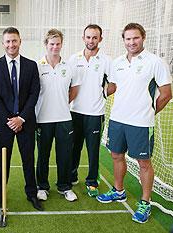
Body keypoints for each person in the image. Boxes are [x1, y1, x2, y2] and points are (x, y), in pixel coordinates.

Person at [96, 23, 172, 224]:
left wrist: (150, 111)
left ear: (143, 38)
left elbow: (166, 94)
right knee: (116, 155)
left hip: (141, 123)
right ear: (124, 40)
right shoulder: (118, 62)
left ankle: (145, 202)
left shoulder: (155, 62)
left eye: (135, 38)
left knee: (144, 163)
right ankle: (118, 190)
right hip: (117, 119)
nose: (131, 42)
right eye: (128, 39)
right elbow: (113, 85)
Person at [0, 27, 43, 211]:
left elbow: (34, 93)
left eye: (14, 41)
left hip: (25, 123)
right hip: (5, 124)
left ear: (20, 41)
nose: (11, 44)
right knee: (2, 161)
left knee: (28, 159)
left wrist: (21, 118)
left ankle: (32, 194)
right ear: (3, 43)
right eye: (8, 41)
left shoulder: (31, 65)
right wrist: (10, 119)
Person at [35, 29, 81, 202]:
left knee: (64, 155)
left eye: (58, 44)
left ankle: (65, 187)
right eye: (52, 44)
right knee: (43, 155)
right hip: (42, 119)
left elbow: (74, 89)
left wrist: (62, 102)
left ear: (62, 44)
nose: (55, 47)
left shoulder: (69, 66)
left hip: (64, 119)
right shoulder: (37, 66)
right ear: (46, 45)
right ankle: (42, 187)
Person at [68, 24, 111, 197]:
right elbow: (68, 83)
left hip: (95, 113)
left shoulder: (106, 60)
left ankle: (92, 181)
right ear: (83, 38)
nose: (91, 40)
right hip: (75, 112)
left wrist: (101, 93)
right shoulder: (74, 58)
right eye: (88, 37)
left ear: (100, 39)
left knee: (93, 150)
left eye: (95, 37)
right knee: (74, 147)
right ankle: (71, 176)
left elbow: (113, 84)